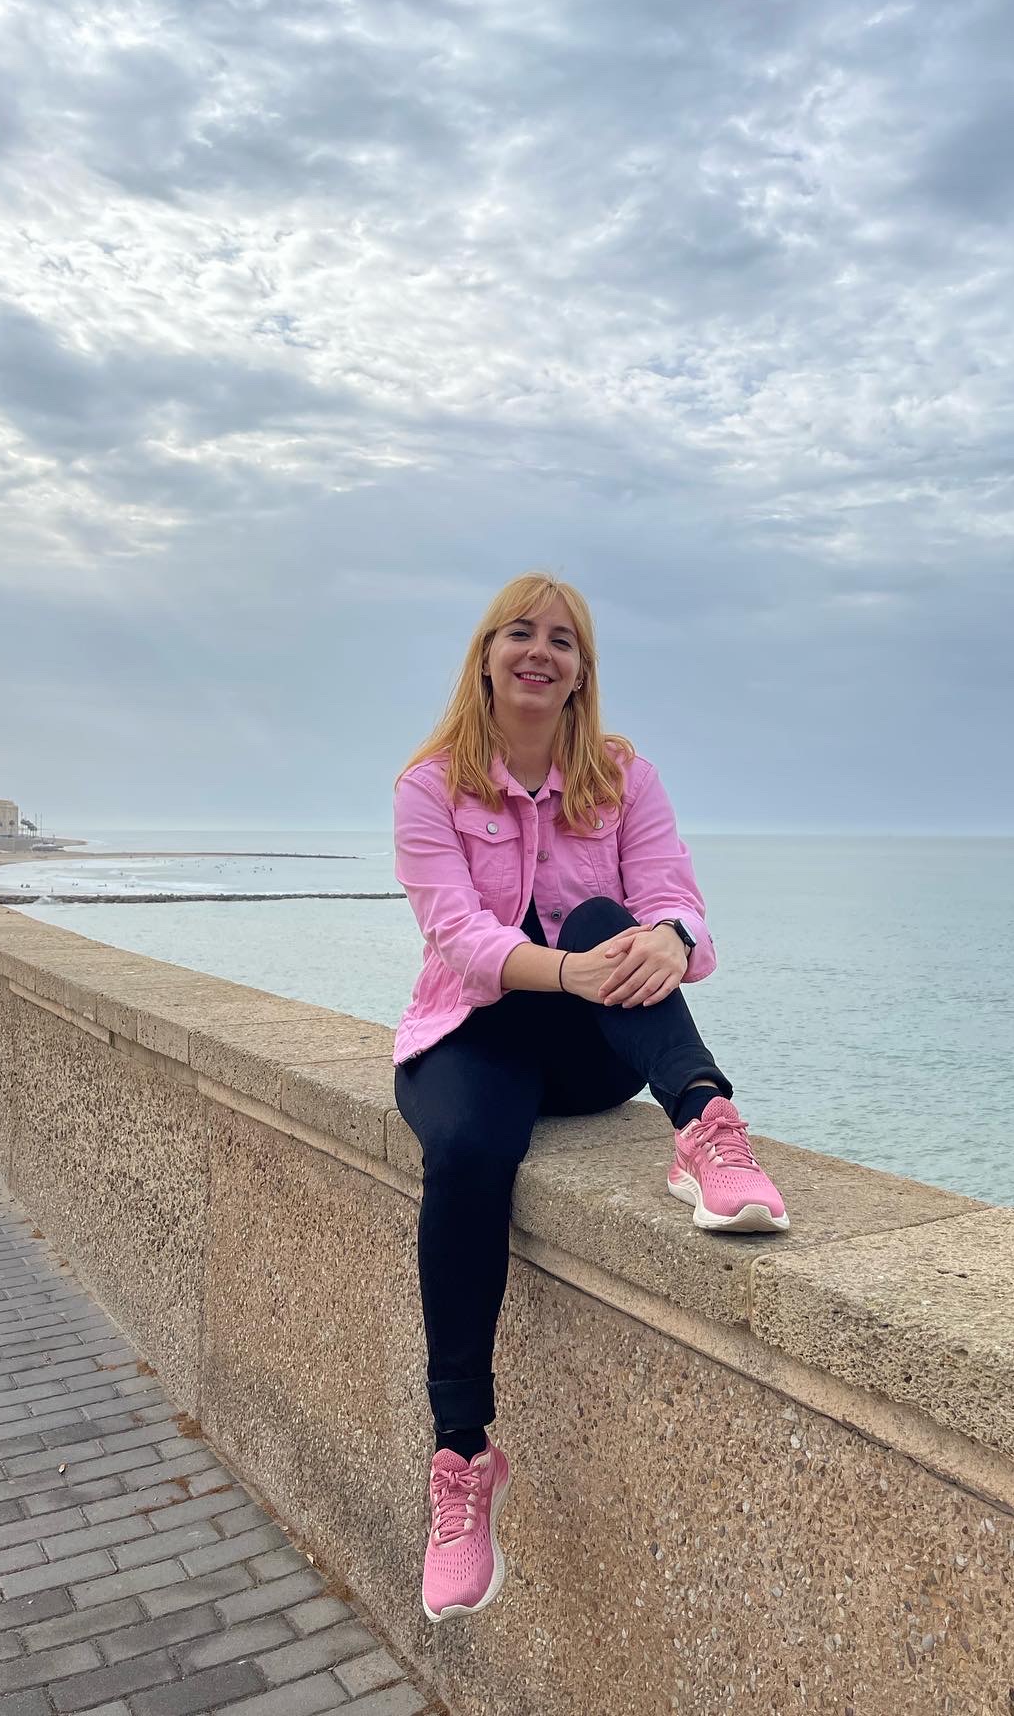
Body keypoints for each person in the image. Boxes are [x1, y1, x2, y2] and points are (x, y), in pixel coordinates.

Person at [392, 571, 791, 1626]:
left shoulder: (621, 776)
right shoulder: (431, 786)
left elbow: (678, 905)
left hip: (590, 1048)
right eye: (518, 633)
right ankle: (463, 1458)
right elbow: (461, 941)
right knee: (471, 1158)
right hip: (470, 1036)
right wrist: (575, 968)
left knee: (611, 911)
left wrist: (667, 937)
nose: (540, 651)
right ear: (485, 655)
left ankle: (703, 1124)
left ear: (581, 673)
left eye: (561, 640)